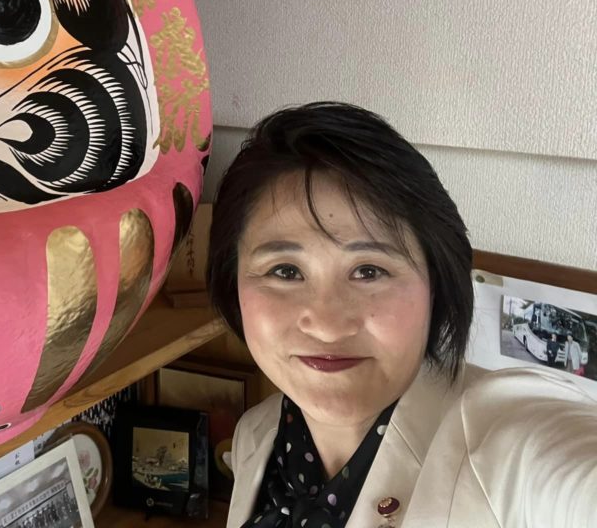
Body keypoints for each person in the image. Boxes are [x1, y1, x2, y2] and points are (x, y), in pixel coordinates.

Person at [207, 102, 597, 527]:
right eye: (285, 271)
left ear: (435, 284)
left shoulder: (499, 442)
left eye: (369, 271)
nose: (327, 325)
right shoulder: (255, 435)